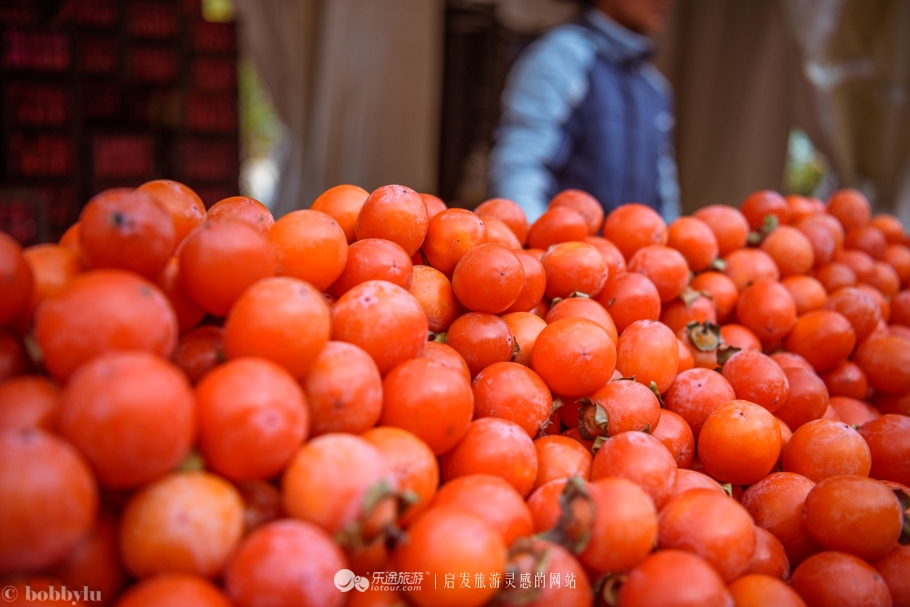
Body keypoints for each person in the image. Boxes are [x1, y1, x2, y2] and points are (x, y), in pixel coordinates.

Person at [488, 0, 679, 224]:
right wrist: (533, 244)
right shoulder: (561, 57)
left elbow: (665, 192)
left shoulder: (655, 88)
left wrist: (671, 250)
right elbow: (521, 165)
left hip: (628, 256)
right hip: (565, 252)